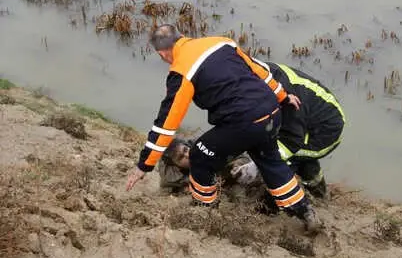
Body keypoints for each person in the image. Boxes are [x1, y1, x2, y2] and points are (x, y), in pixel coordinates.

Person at [124, 24, 320, 232]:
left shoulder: (181, 71)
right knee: (270, 161)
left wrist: (144, 165)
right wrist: (282, 95)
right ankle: (304, 210)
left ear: (162, 53)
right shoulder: (220, 42)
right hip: (271, 110)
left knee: (199, 154)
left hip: (243, 121)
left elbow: (167, 122)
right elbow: (259, 70)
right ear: (182, 36)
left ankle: (205, 209)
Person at [156, 61, 346, 200]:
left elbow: (292, 141)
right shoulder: (251, 81)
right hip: (300, 123)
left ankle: (301, 201)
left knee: (282, 163)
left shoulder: (283, 95)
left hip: (326, 130)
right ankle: (319, 192)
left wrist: (255, 165)